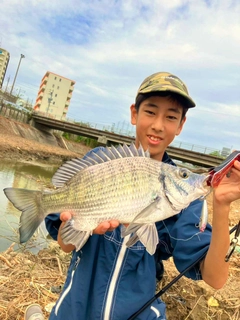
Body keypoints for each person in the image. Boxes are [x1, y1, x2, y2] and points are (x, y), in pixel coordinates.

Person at [28, 72, 240, 320]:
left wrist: (222, 205)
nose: (158, 125)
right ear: (134, 113)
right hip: (72, 311)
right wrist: (75, 220)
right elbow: (66, 245)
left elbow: (215, 279)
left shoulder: (187, 203)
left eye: (171, 117)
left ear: (181, 125)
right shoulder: (95, 164)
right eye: (150, 112)